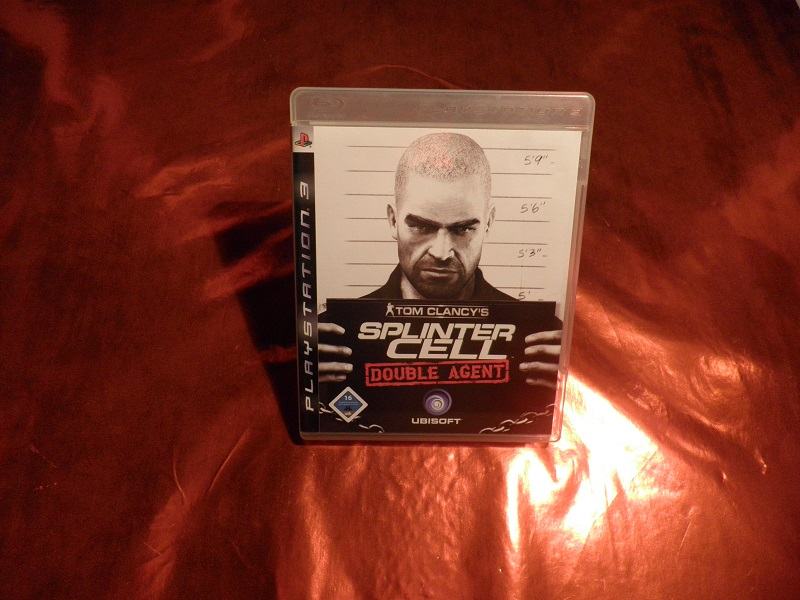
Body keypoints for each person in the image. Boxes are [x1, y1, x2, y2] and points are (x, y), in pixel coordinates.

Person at [319, 133, 560, 388]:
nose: (442, 253)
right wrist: (307, 381)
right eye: (421, 227)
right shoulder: (332, 338)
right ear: (393, 221)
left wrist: (571, 381)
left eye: (463, 229)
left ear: (488, 224)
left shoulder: (542, 340)